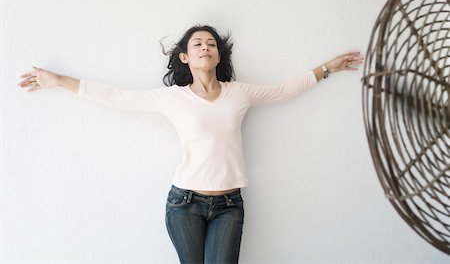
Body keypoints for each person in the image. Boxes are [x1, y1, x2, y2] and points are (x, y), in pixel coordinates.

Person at [17, 24, 364, 263]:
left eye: (211, 44)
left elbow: (283, 90)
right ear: (184, 56)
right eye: (197, 44)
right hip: (184, 204)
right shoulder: (173, 98)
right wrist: (58, 80)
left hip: (229, 205)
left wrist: (328, 67)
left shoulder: (238, 92)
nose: (205, 47)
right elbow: (118, 97)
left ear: (218, 55)